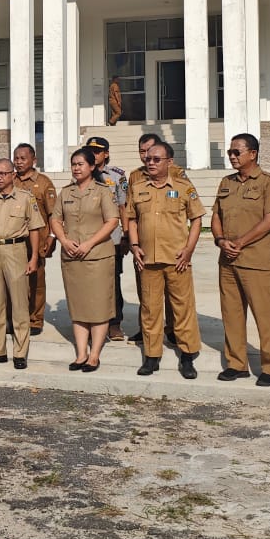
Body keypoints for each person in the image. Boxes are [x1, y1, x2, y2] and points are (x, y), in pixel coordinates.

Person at [126, 138, 204, 379]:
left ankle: (188, 355)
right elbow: (131, 219)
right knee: (150, 310)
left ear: (169, 162)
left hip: (176, 260)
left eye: (156, 159)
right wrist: (135, 244)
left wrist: (189, 250)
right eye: (148, 158)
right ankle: (152, 356)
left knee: (183, 309)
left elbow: (197, 219)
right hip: (147, 260)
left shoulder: (183, 188)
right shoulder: (138, 188)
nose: (150, 162)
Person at [211, 133, 270, 387]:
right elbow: (216, 216)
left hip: (256, 260)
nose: (232, 156)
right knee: (231, 314)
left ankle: (269, 367)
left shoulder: (268, 183)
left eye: (237, 152)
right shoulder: (226, 182)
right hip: (228, 260)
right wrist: (221, 240)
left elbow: (269, 221)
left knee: (264, 315)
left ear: (252, 153)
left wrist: (240, 243)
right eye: (230, 152)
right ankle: (236, 364)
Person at [51, 147, 120, 372]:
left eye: (80, 164)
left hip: (97, 257)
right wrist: (63, 240)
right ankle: (81, 354)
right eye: (73, 164)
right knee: (78, 305)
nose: (76, 168)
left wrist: (89, 243)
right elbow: (55, 219)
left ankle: (95, 355)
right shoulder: (66, 192)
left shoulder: (102, 191)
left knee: (99, 306)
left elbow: (112, 221)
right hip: (72, 258)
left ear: (92, 166)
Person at [0, 158, 44, 370]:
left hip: (16, 250)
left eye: (3, 173)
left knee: (20, 303)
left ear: (13, 175)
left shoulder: (25, 198)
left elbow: (35, 229)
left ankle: (20, 352)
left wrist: (33, 258)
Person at [129, 133, 187, 346]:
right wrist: (133, 242)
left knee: (175, 297)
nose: (147, 157)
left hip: (171, 248)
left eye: (151, 152)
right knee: (146, 294)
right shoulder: (135, 177)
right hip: (144, 247)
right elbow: (130, 212)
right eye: (142, 152)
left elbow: (188, 209)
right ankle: (147, 332)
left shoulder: (177, 174)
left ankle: (173, 329)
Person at [86, 136, 130, 340]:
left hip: (111, 239)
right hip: (87, 237)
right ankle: (92, 322)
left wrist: (126, 235)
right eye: (90, 150)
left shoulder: (117, 176)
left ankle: (114, 323)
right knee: (88, 282)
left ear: (106, 154)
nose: (94, 154)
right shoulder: (81, 173)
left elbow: (123, 206)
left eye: (97, 151)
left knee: (112, 283)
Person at [12, 143, 57, 336]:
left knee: (36, 281)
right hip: (14, 240)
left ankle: (36, 319)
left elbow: (54, 213)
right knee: (14, 281)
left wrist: (53, 237)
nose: (19, 162)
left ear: (34, 160)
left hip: (37, 241)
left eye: (23, 158)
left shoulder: (44, 183)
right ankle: (16, 317)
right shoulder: (9, 180)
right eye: (16, 158)